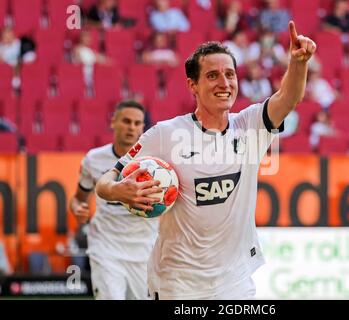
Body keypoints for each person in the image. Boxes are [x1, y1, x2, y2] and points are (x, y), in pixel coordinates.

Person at [96, 20, 316, 300]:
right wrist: (118, 191)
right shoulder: (166, 134)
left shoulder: (250, 126)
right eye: (212, 76)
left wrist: (298, 63)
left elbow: (289, 98)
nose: (224, 83)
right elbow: (105, 181)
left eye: (230, 74)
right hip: (177, 282)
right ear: (193, 85)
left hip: (235, 280)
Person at [70, 100, 159, 300]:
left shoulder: (156, 163)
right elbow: (77, 199)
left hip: (145, 251)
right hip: (106, 248)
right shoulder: (94, 159)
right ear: (113, 122)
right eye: (126, 121)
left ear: (143, 128)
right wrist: (77, 208)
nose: (131, 127)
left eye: (137, 123)